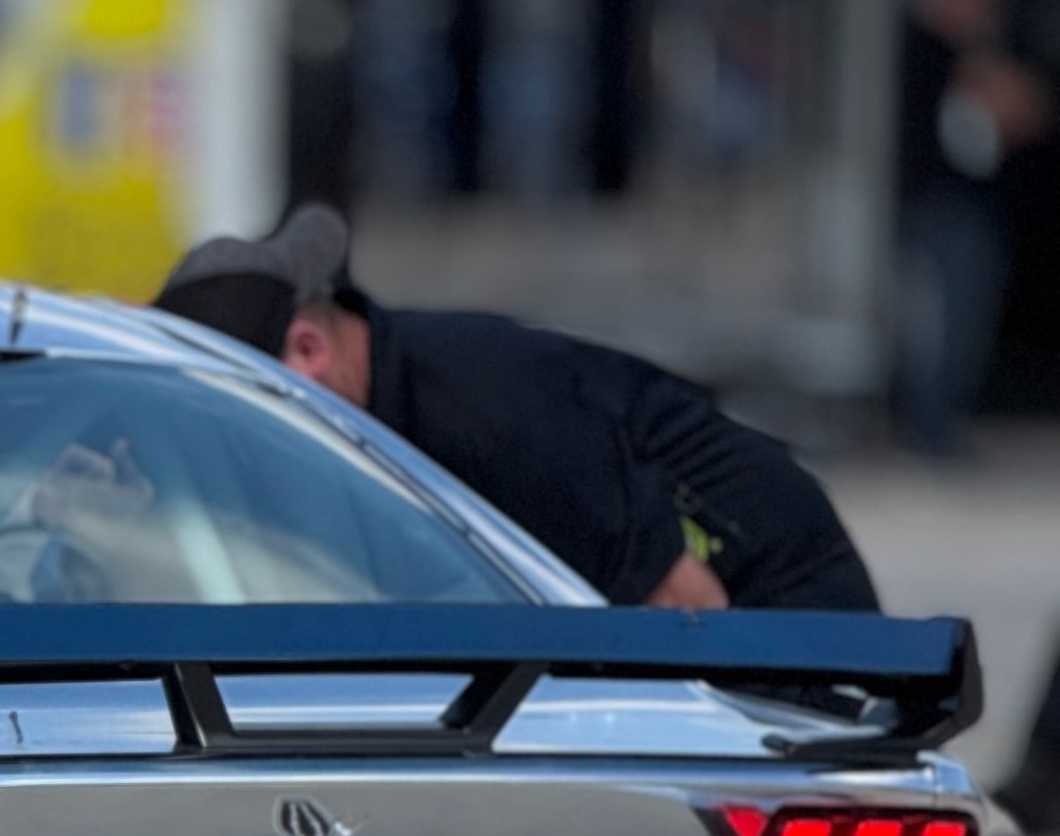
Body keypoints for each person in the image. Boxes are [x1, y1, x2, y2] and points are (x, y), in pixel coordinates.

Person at [152, 206, 880, 615]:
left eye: (237, 428)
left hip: (795, 624)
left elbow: (690, 619)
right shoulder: (386, 410)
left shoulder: (491, 420)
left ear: (307, 350)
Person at [895, 0, 1051, 459]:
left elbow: (1028, 110)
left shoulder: (993, 50)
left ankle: (942, 423)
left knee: (963, 326)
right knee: (931, 325)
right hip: (933, 209)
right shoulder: (921, 50)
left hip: (975, 211)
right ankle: (926, 427)